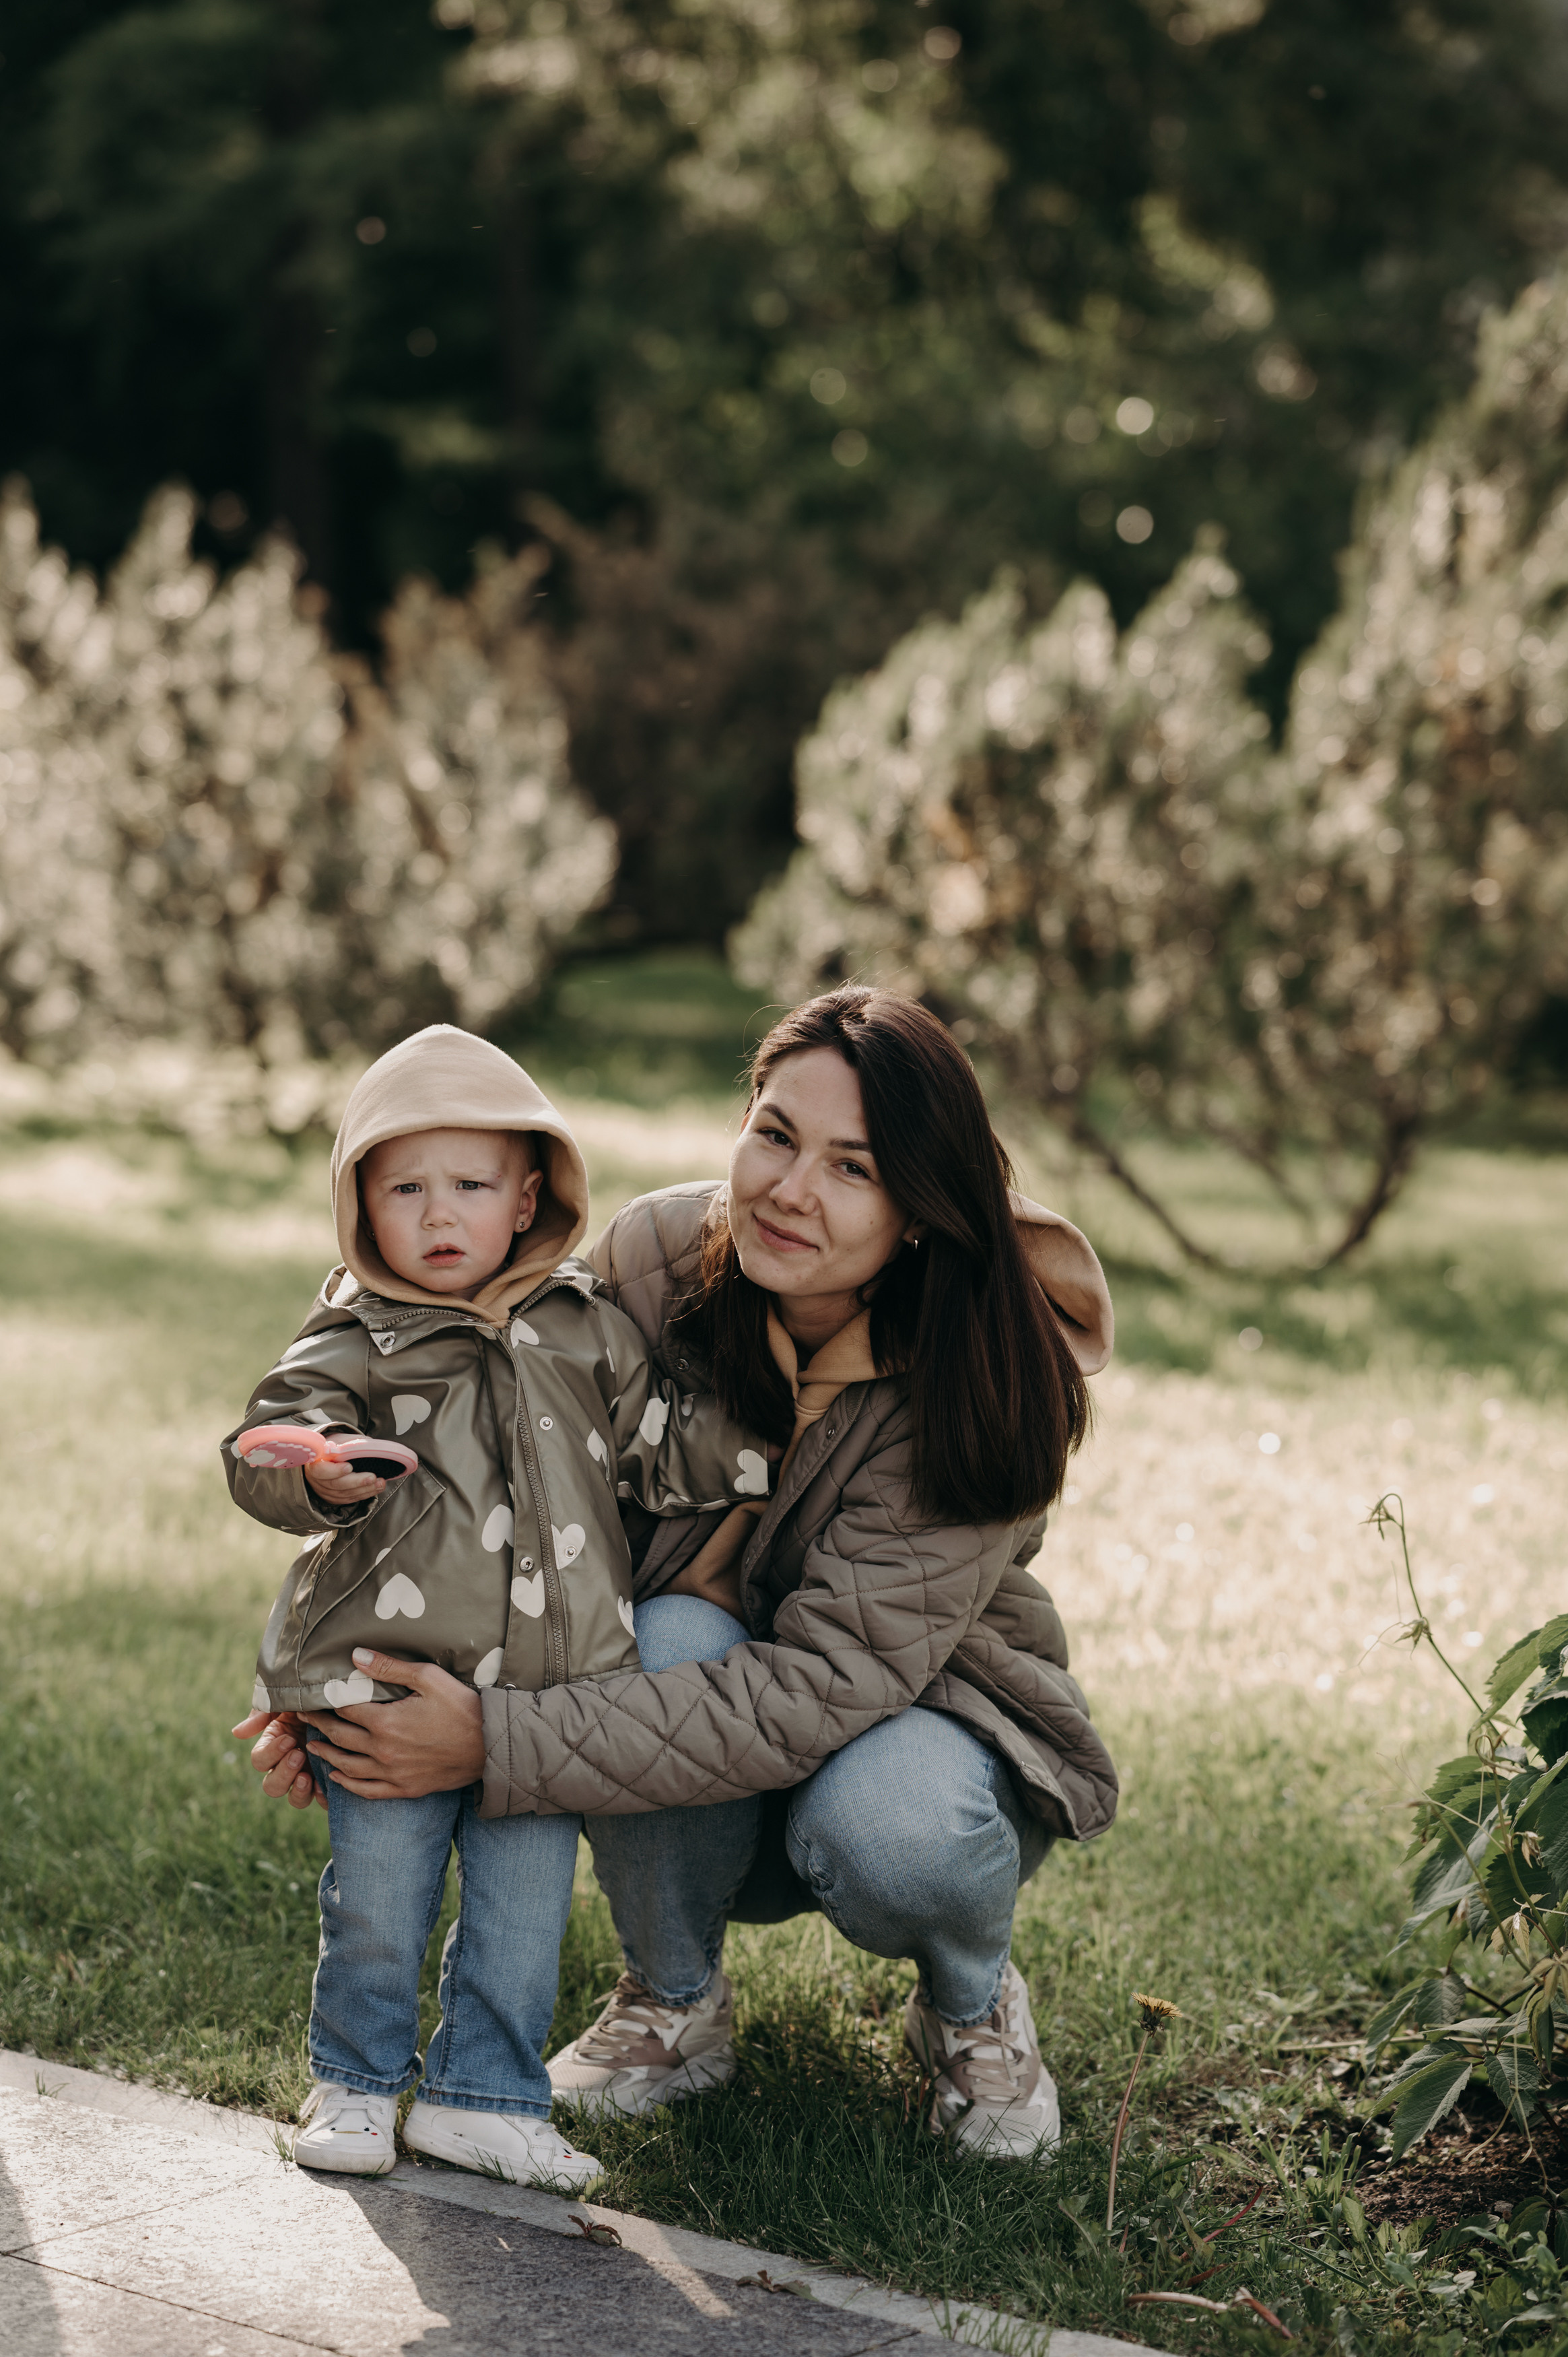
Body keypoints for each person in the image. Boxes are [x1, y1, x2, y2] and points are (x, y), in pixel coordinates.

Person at [239, 988, 1116, 2163]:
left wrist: (493, 1741)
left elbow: (819, 1686)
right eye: (774, 1134)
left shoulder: (982, 1371)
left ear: (917, 1209)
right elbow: (470, 1485)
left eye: (852, 1168)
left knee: (896, 1827)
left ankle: (969, 2007)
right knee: (657, 1637)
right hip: (689, 1702)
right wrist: (341, 1690)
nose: (790, 1190)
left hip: (911, 1723)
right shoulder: (652, 1263)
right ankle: (674, 1999)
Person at [225, 1023, 762, 2185]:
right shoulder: (354, 1335)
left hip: (547, 1689)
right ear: (360, 1204)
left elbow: (659, 1447)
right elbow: (268, 1440)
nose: (436, 1216)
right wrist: (313, 1466)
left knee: (521, 1914)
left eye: (468, 1185)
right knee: (379, 1894)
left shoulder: (584, 1327)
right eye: (403, 1187)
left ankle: (484, 2095)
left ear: (527, 1199)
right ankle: (357, 2085)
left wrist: (756, 1438)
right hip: (384, 1684)